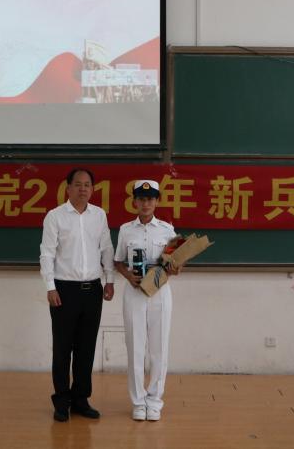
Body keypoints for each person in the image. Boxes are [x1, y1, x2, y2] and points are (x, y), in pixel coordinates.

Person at [39, 168, 115, 422]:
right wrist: (50, 286)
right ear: (68, 187)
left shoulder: (99, 215)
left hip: (92, 290)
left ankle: (81, 399)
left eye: (87, 185)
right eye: (78, 184)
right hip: (64, 290)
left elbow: (106, 249)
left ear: (92, 189)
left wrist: (110, 280)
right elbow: (47, 253)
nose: (83, 189)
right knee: (62, 349)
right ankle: (62, 401)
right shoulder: (55, 216)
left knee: (86, 348)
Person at [114, 180, 180, 422]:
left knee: (159, 349)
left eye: (150, 199)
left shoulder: (167, 230)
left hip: (160, 292)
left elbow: (176, 263)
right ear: (134, 202)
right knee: (135, 348)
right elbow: (118, 261)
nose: (146, 203)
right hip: (134, 292)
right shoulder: (126, 230)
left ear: (157, 201)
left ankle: (154, 401)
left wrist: (175, 268)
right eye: (141, 199)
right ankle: (138, 402)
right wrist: (127, 275)